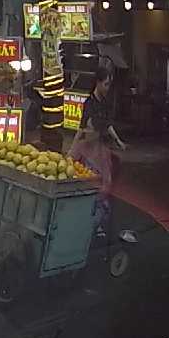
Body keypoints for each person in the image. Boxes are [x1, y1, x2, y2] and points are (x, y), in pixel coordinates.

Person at [68, 62, 127, 237]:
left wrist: (118, 141)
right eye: (106, 84)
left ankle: (99, 223)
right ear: (98, 83)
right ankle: (88, 222)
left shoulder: (105, 102)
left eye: (109, 84)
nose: (108, 88)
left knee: (105, 185)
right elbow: (81, 128)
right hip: (88, 150)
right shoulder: (89, 103)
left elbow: (107, 124)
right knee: (92, 184)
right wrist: (72, 151)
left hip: (101, 149)